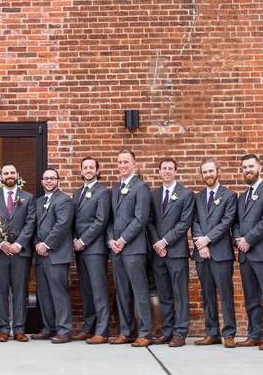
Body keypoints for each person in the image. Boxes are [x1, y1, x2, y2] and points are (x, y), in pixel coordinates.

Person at [233, 153, 263, 351]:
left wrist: (248, 240)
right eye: (244, 167)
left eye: (250, 166)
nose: (247, 170)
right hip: (245, 255)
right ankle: (255, 334)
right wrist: (239, 241)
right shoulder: (242, 196)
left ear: (259, 167)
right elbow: (236, 222)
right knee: (251, 297)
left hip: (262, 252)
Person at [107, 149, 153, 347]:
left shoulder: (141, 187)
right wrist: (111, 240)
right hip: (116, 249)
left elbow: (141, 218)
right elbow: (110, 220)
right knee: (122, 291)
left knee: (139, 291)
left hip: (133, 248)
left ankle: (145, 333)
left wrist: (123, 239)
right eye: (119, 162)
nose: (122, 165)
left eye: (126, 162)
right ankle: (126, 331)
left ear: (135, 164)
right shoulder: (115, 189)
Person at [147, 158, 195, 348]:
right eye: (163, 168)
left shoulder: (185, 194)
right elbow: (149, 221)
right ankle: (167, 331)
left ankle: (180, 333)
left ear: (175, 171)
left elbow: (184, 223)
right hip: (159, 254)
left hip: (177, 253)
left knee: (180, 294)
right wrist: (157, 243)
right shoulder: (154, 195)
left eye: (170, 169)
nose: (167, 171)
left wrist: (165, 241)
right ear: (159, 171)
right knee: (164, 294)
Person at [0, 163, 36, 342]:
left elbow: (31, 224)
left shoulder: (28, 198)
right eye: (5, 173)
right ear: (1, 177)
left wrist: (19, 244)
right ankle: (4, 329)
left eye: (12, 172)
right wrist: (1, 243)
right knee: (1, 291)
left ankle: (20, 329)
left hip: (20, 253)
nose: (9, 175)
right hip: (0, 253)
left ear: (17, 175)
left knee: (21, 291)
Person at [192, 158, 238, 347]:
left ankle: (229, 334)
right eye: (205, 172)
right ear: (201, 175)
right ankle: (212, 333)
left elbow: (226, 222)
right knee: (207, 294)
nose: (208, 175)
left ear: (217, 171)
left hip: (221, 254)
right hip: (202, 254)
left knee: (226, 294)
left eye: (211, 171)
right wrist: (200, 245)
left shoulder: (229, 196)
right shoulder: (198, 197)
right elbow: (194, 221)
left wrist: (207, 240)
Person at [31, 168, 75, 343]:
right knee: (44, 294)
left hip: (57, 255)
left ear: (58, 180)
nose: (49, 181)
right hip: (41, 256)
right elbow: (34, 226)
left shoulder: (64, 200)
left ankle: (64, 330)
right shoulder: (39, 201)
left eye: (52, 178)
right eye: (46, 178)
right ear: (42, 181)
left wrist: (46, 244)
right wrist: (36, 244)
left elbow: (62, 226)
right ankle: (48, 328)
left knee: (59, 294)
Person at [71, 156, 111, 344]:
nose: (88, 170)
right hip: (79, 249)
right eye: (85, 167)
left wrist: (83, 241)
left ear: (97, 171)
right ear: (81, 171)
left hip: (95, 248)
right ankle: (88, 327)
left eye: (91, 167)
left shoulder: (102, 192)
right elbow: (73, 220)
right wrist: (74, 240)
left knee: (99, 290)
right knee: (86, 290)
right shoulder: (77, 193)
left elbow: (101, 220)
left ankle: (102, 331)